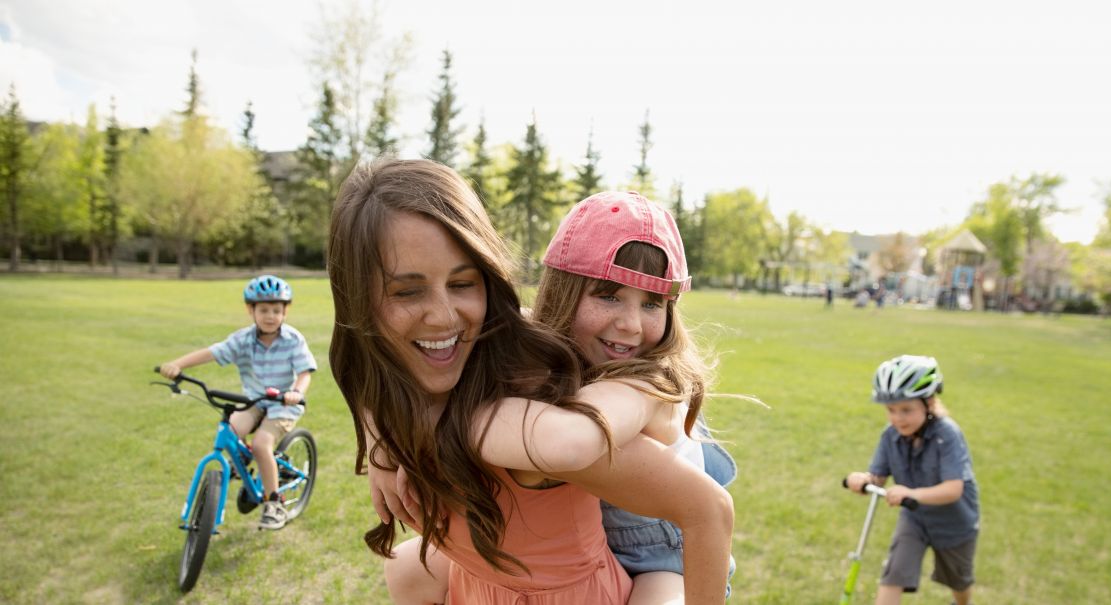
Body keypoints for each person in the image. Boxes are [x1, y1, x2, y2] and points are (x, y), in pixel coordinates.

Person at [327, 159, 733, 604]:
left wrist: (430, 421)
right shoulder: (535, 343)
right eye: (608, 295)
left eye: (653, 304)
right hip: (579, 551)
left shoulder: (639, 385)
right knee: (408, 567)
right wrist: (379, 429)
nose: (631, 325)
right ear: (561, 292)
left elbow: (574, 441)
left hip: (663, 554)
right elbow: (368, 356)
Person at [158, 275, 317, 530]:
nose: (270, 316)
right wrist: (177, 364)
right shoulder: (243, 339)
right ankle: (242, 461)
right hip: (253, 401)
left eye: (276, 310)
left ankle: (274, 502)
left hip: (282, 404)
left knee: (262, 444)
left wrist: (296, 392)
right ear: (250, 310)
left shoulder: (293, 340)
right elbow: (211, 352)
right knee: (231, 429)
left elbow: (304, 372)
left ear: (285, 311)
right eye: (263, 310)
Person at [844, 355, 980, 605]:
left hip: (954, 522)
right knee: (893, 574)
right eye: (891, 410)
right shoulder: (890, 436)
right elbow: (878, 478)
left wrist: (912, 494)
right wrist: (864, 480)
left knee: (958, 582)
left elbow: (954, 489)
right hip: (914, 518)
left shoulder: (947, 434)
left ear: (928, 403)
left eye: (906, 410)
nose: (898, 418)